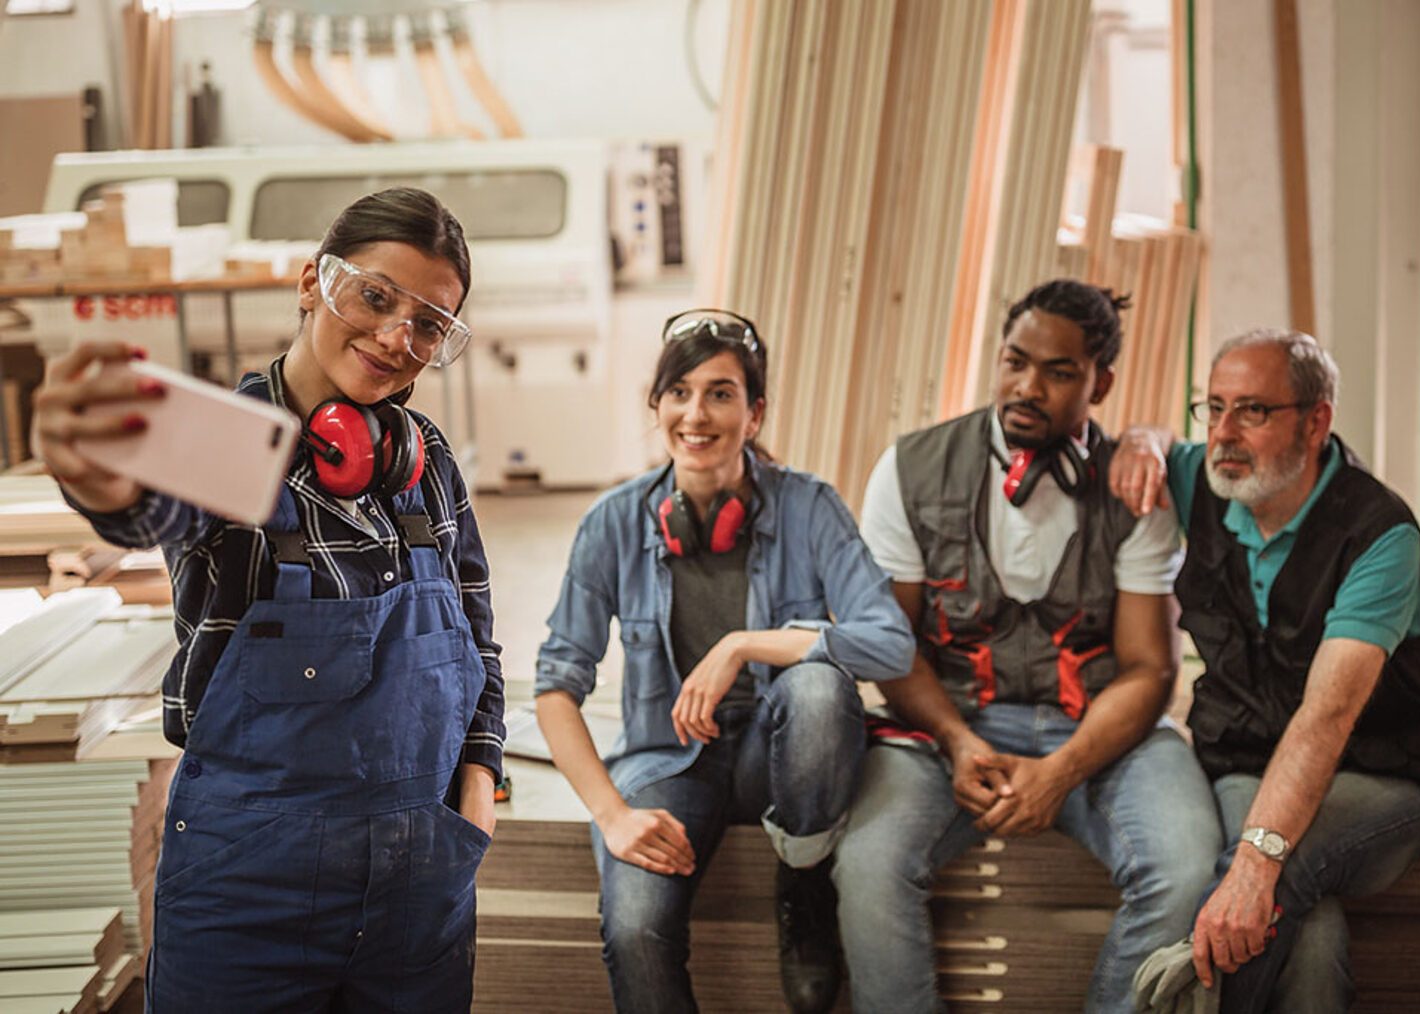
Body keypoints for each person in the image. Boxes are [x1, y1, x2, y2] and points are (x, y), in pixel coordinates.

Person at [31, 187, 504, 1012]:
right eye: (376, 297)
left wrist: (481, 779)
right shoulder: (231, 440)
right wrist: (90, 466)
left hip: (417, 891)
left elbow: (479, 640)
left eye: (430, 323)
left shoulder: (426, 461)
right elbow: (142, 504)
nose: (398, 337)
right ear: (312, 283)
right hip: (251, 891)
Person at [832, 278, 1222, 1013]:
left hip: (1098, 729)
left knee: (1187, 860)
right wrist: (954, 741)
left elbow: (1148, 667)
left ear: (1100, 381)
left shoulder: (1133, 488)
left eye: (1059, 371)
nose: (1027, 386)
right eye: (1015, 361)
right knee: (868, 861)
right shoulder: (912, 470)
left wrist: (1062, 771)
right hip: (947, 721)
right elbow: (892, 645)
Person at [534, 308, 914, 1014]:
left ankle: (803, 877)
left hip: (782, 758)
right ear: (657, 406)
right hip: (665, 760)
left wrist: (742, 644)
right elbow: (555, 686)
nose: (696, 414)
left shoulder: (810, 507)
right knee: (635, 928)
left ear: (755, 412)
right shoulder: (613, 523)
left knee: (816, 691)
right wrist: (613, 813)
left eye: (721, 393)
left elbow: (890, 640)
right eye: (678, 392)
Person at [1110, 327, 1420, 1014]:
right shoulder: (1208, 478)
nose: (1223, 434)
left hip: (1387, 772)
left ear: (1316, 421)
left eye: (1252, 410)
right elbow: (1157, 439)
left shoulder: (1378, 534)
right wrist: (1142, 441)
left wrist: (1254, 863)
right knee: (1304, 923)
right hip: (1248, 758)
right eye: (1212, 408)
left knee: (1273, 872)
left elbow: (1326, 718)